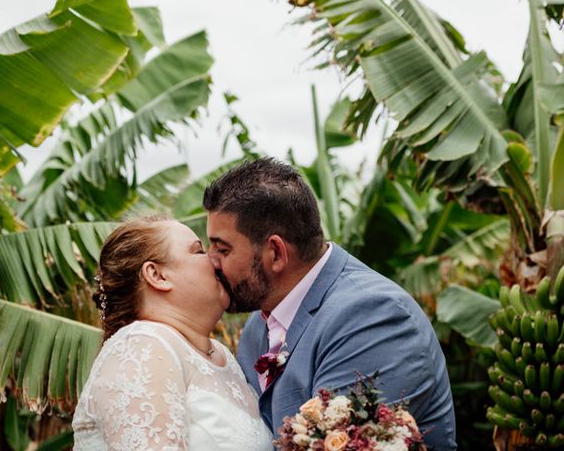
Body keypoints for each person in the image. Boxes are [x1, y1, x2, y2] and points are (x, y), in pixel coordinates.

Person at [203, 157, 457, 450]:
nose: (211, 260)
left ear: (275, 253)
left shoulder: (373, 317)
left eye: (222, 248)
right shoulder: (256, 327)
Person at [72, 217, 273, 451]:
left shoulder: (222, 355)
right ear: (157, 276)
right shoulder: (142, 345)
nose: (216, 260)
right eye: (198, 251)